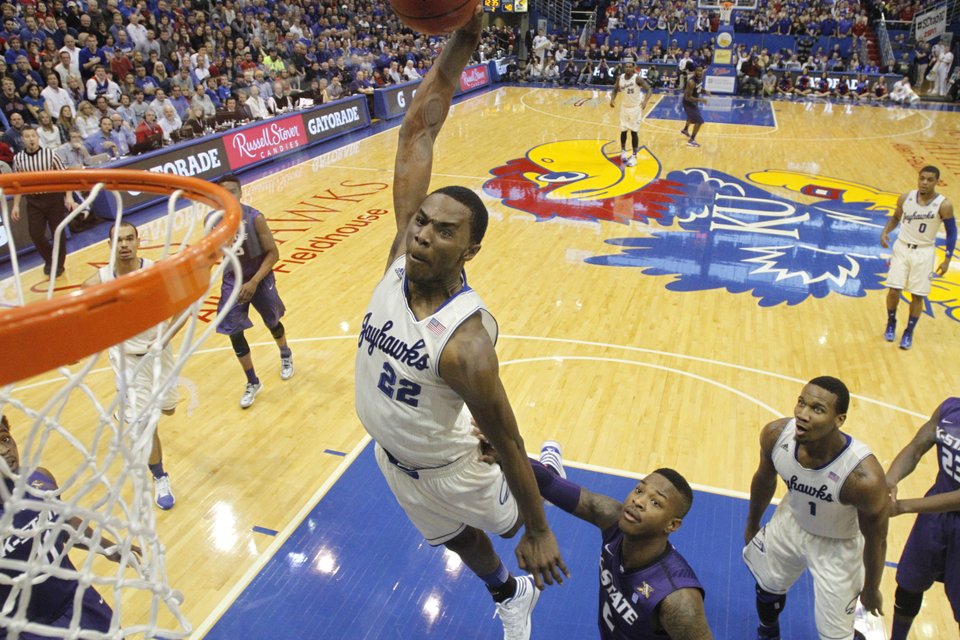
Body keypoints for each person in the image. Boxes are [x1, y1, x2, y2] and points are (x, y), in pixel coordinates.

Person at [353, 8, 566, 640]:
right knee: (458, 543)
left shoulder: (466, 344)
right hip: (395, 461)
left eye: (444, 232)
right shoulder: (399, 256)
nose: (421, 236)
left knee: (509, 516)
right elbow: (418, 128)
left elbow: (504, 438)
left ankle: (551, 470)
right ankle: (508, 595)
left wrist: (539, 528)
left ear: (469, 251)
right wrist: (466, 35)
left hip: (458, 464)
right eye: (421, 222)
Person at [481, 435, 713, 638]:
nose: (638, 501)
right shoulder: (613, 520)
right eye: (639, 490)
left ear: (672, 525)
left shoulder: (677, 600)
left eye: (655, 502)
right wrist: (505, 453)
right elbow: (550, 482)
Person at [743, 376, 889, 640]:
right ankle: (768, 632)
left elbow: (877, 538)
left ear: (839, 419)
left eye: (817, 409)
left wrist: (871, 587)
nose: (802, 414)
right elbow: (764, 478)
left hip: (839, 546)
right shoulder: (776, 436)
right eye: (801, 403)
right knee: (767, 586)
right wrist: (752, 524)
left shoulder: (862, 479)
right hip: (791, 522)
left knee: (835, 635)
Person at [0, 415, 132, 634]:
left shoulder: (40, 479)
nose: (4, 450)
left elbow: (65, 523)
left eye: (5, 439)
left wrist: (106, 547)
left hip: (76, 600)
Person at [82, 222, 177, 509]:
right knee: (148, 424)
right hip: (126, 361)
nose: (124, 244)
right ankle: (160, 476)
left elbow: (184, 304)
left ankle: (128, 402)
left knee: (169, 409)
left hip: (159, 353)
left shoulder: (156, 271)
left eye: (129, 239)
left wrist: (166, 333)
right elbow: (81, 319)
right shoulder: (96, 282)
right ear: (110, 245)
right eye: (118, 240)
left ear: (138, 241)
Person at [214, 174, 294, 408]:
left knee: (272, 322)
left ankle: (285, 353)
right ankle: (252, 381)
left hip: (259, 275)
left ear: (240, 193)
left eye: (233, 191)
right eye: (223, 193)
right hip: (233, 279)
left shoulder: (254, 218)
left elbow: (274, 254)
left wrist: (254, 282)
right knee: (234, 331)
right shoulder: (213, 221)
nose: (228, 196)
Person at [885, 397, 960, 639]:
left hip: (947, 511)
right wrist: (890, 481)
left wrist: (905, 506)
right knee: (908, 585)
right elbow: (916, 447)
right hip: (936, 517)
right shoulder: (951, 408)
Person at [880, 165, 955, 349]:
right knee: (893, 290)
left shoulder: (944, 205)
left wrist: (947, 259)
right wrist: (885, 232)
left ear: (937, 182)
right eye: (922, 178)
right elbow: (896, 217)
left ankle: (909, 331)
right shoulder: (906, 197)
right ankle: (891, 322)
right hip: (902, 247)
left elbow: (952, 233)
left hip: (924, 251)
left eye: (929, 180)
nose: (924, 183)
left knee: (917, 295)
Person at [12, 127, 71, 277]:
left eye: (33, 136)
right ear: (22, 140)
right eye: (27, 136)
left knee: (58, 232)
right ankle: (50, 259)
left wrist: (68, 196)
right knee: (36, 234)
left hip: (53, 198)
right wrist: (16, 205)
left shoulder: (50, 154)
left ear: (38, 138)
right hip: (33, 200)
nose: (31, 139)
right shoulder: (18, 159)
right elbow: (18, 184)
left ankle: (58, 264)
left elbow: (65, 176)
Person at [609, 58, 651, 167]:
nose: (628, 68)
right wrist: (612, 99)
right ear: (624, 68)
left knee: (633, 132)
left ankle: (634, 156)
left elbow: (649, 89)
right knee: (623, 131)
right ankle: (623, 151)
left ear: (633, 68)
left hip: (635, 108)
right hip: (624, 107)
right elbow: (614, 90)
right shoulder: (620, 78)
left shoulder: (637, 79)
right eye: (626, 66)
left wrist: (645, 101)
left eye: (630, 66)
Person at [680, 65, 706, 148]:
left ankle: (685, 130)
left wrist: (705, 91)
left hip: (693, 102)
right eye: (697, 71)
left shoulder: (700, 78)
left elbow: (698, 88)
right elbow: (688, 97)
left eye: (701, 71)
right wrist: (700, 100)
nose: (699, 72)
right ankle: (691, 140)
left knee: (691, 117)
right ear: (695, 71)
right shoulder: (691, 82)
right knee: (699, 121)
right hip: (688, 103)